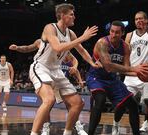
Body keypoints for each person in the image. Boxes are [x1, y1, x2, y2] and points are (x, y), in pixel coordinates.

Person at [26, 3, 98, 135]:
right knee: (49, 100)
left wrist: (92, 63)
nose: (74, 17)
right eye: (71, 14)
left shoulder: (70, 33)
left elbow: (81, 51)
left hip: (56, 70)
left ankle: (68, 132)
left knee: (78, 103)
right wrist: (83, 37)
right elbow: (57, 47)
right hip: (41, 67)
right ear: (63, 16)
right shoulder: (50, 28)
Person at [9, 39, 87, 135]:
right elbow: (28, 48)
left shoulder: (62, 47)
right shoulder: (41, 43)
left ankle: (78, 126)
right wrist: (17, 48)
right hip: (46, 75)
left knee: (72, 104)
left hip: (59, 79)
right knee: (48, 103)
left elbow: (74, 59)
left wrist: (76, 70)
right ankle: (45, 128)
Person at [86, 20, 148, 135]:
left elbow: (126, 69)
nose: (113, 35)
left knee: (133, 105)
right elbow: (109, 66)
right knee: (100, 101)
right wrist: (134, 69)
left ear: (122, 33)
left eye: (117, 32)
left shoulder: (125, 47)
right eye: (112, 31)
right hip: (96, 78)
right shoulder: (102, 43)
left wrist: (140, 73)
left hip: (112, 79)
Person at [114, 11, 148, 135]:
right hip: (132, 74)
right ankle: (115, 125)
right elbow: (125, 56)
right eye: (136, 19)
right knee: (122, 104)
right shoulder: (129, 35)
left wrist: (147, 30)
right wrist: (127, 71)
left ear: (146, 20)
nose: (138, 21)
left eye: (141, 19)